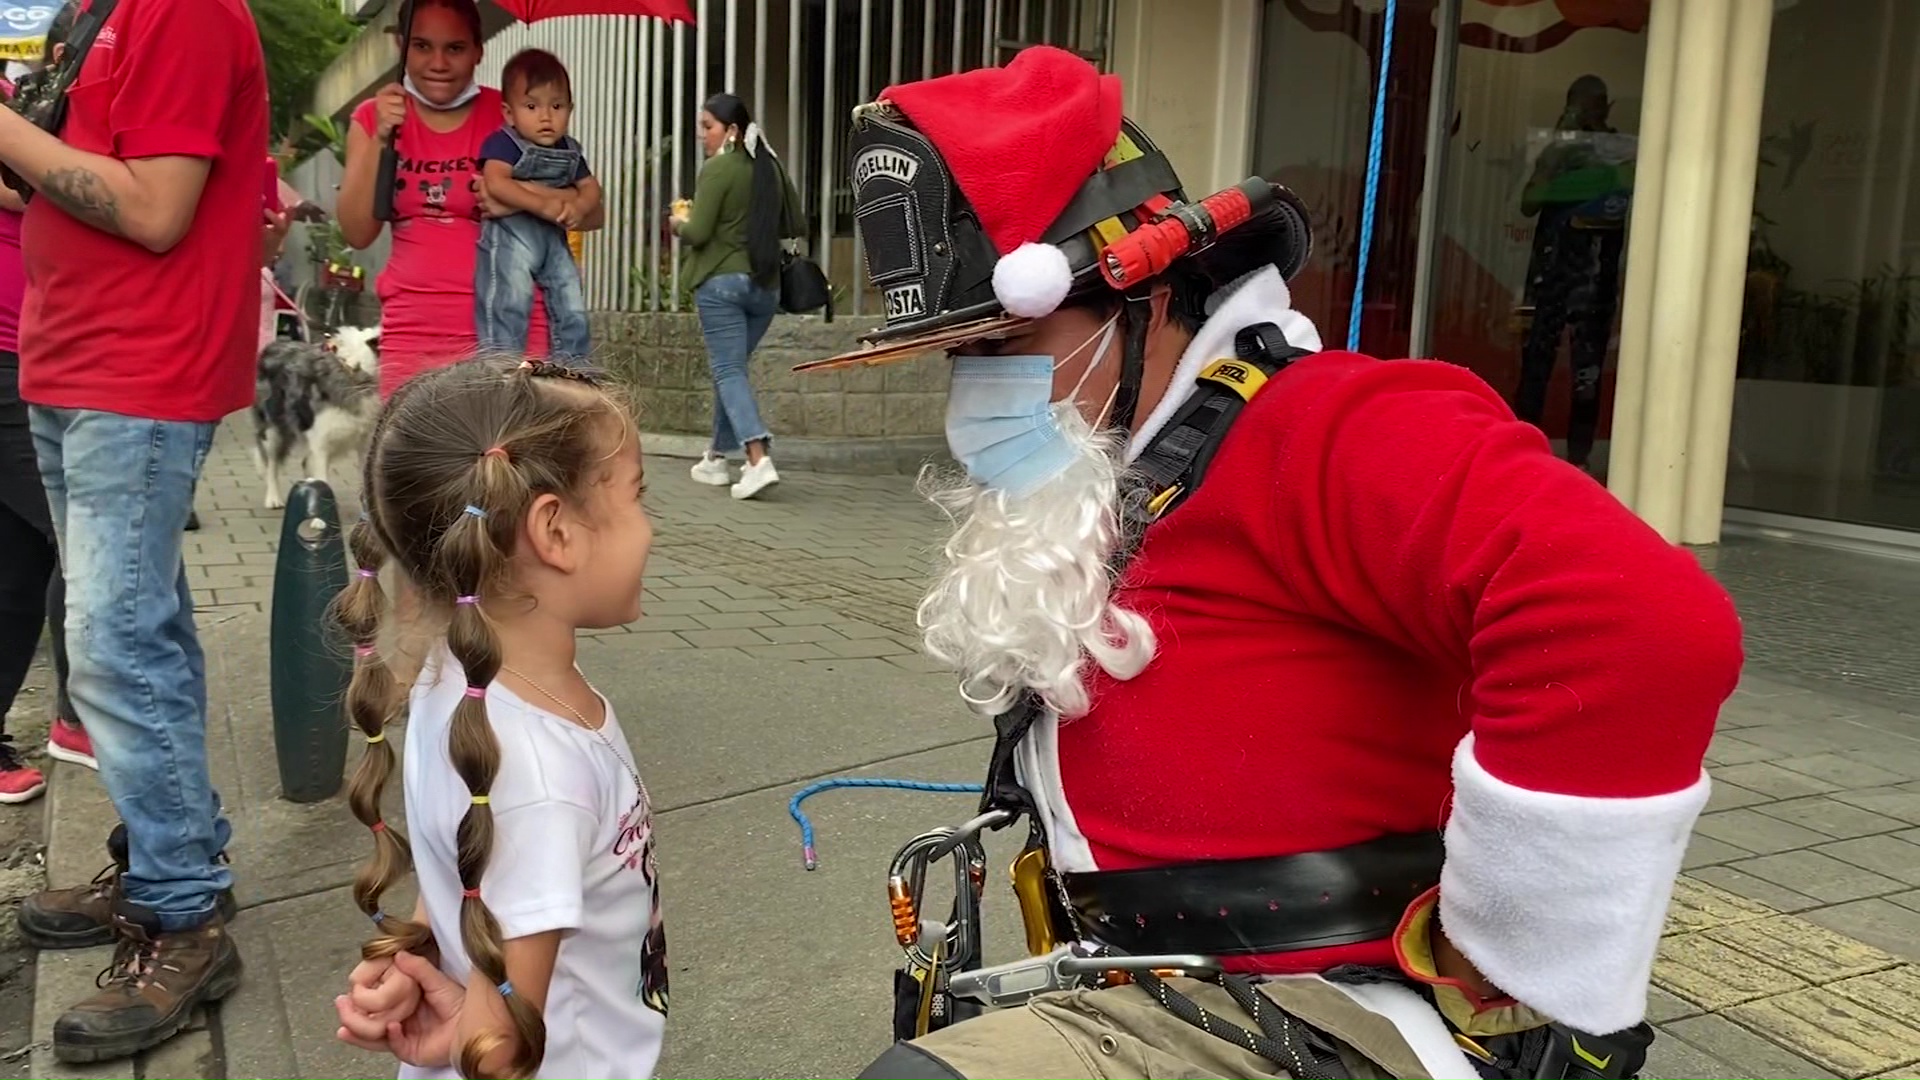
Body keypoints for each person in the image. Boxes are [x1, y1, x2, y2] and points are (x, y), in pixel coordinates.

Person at [796, 47, 1743, 1080]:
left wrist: (1515, 958)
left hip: (1323, 1015)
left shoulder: (1332, 423)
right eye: (958, 357)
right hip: (1145, 986)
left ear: (1145, 298)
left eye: (999, 348)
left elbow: (1641, 622)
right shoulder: (1122, 467)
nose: (970, 393)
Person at [0, 0, 271, 1062]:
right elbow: (55, 173)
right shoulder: (96, 13)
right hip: (74, 362)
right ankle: (172, 852)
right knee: (138, 631)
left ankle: (186, 908)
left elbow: (158, 208)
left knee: (111, 642)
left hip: (141, 371)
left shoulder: (189, 10)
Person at [327, 358, 667, 1080]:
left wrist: (420, 945)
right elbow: (500, 1047)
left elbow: (465, 860)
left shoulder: (454, 683)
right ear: (555, 531)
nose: (651, 530)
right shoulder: (542, 778)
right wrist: (462, 1039)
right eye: (639, 497)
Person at [337, 0, 600, 398]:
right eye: (422, 46)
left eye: (455, 48)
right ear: (401, 46)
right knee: (417, 457)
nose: (438, 62)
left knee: (511, 458)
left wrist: (521, 198)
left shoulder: (512, 113)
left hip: (513, 333)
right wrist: (380, 139)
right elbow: (357, 232)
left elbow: (591, 210)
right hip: (413, 335)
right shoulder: (375, 117)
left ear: (479, 50)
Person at [0, 5, 86, 806]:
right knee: (71, 536)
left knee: (22, 561)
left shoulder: (16, 95)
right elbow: (37, 190)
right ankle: (76, 712)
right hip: (3, 353)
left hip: (35, 347)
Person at [672, 92, 803, 501]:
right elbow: (795, 221)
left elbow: (698, 232)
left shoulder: (719, 169)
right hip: (765, 288)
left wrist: (678, 221)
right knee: (731, 373)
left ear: (731, 131)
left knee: (729, 372)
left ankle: (757, 458)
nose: (701, 136)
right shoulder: (771, 168)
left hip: (721, 285)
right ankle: (714, 458)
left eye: (707, 127)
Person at [1513, 75, 1631, 472]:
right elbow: (1530, 201)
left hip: (1596, 277)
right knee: (1536, 363)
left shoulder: (1618, 151)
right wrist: (1562, 159)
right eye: (1577, 107)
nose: (1585, 115)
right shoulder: (1558, 150)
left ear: (1606, 108)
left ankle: (1580, 459)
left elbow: (1625, 193)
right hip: (1552, 273)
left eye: (1592, 106)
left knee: (1587, 371)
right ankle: (1519, 453)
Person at [475, 48, 598, 361]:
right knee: (510, 300)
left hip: (554, 242)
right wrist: (543, 205)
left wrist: (581, 208)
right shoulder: (504, 142)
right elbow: (496, 182)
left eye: (556, 106)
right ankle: (501, 371)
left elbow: (591, 188)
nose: (546, 117)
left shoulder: (570, 150)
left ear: (571, 108)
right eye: (531, 106)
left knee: (572, 304)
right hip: (512, 240)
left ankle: (573, 372)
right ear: (508, 112)